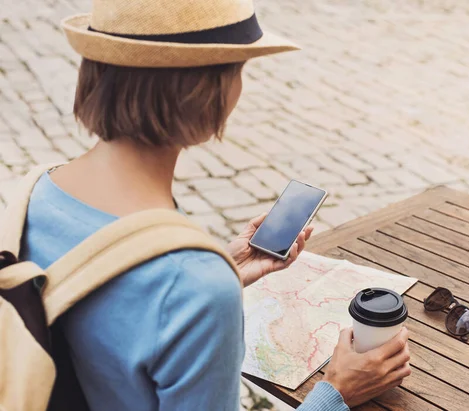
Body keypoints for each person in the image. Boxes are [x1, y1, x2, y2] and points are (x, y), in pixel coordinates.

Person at [20, 0, 411, 410]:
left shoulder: (38, 192)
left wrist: (219, 269)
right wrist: (336, 394)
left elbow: (115, 307)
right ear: (211, 91)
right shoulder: (197, 287)